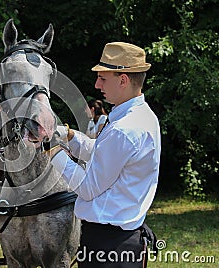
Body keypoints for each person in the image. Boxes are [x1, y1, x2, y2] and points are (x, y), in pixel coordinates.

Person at [48, 42, 160, 267]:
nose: (97, 84)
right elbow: (103, 153)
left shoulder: (124, 128)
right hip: (118, 240)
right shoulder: (139, 116)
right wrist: (69, 135)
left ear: (123, 79)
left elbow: (88, 188)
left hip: (109, 244)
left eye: (103, 78)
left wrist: (54, 154)